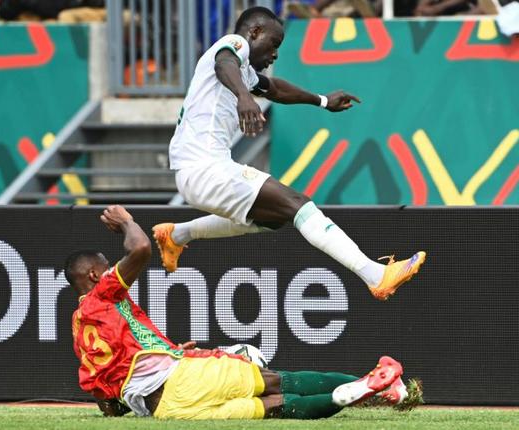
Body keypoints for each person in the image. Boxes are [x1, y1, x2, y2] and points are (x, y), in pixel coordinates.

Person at [152, 6, 425, 302]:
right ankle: (375, 275)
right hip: (204, 169)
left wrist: (321, 101)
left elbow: (275, 90)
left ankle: (176, 235)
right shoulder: (234, 45)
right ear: (254, 32)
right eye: (274, 43)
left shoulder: (243, 71)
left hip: (198, 173)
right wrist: (244, 97)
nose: (276, 54)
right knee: (299, 205)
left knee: (274, 218)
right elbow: (225, 63)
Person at [68, 205, 421, 419]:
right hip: (182, 378)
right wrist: (127, 222)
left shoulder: (81, 326)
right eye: (107, 267)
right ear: (95, 275)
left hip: (168, 409)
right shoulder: (103, 292)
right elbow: (142, 248)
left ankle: (366, 392)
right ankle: (371, 385)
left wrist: (171, 353)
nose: (115, 270)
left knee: (277, 408)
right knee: (283, 382)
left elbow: (111, 403)